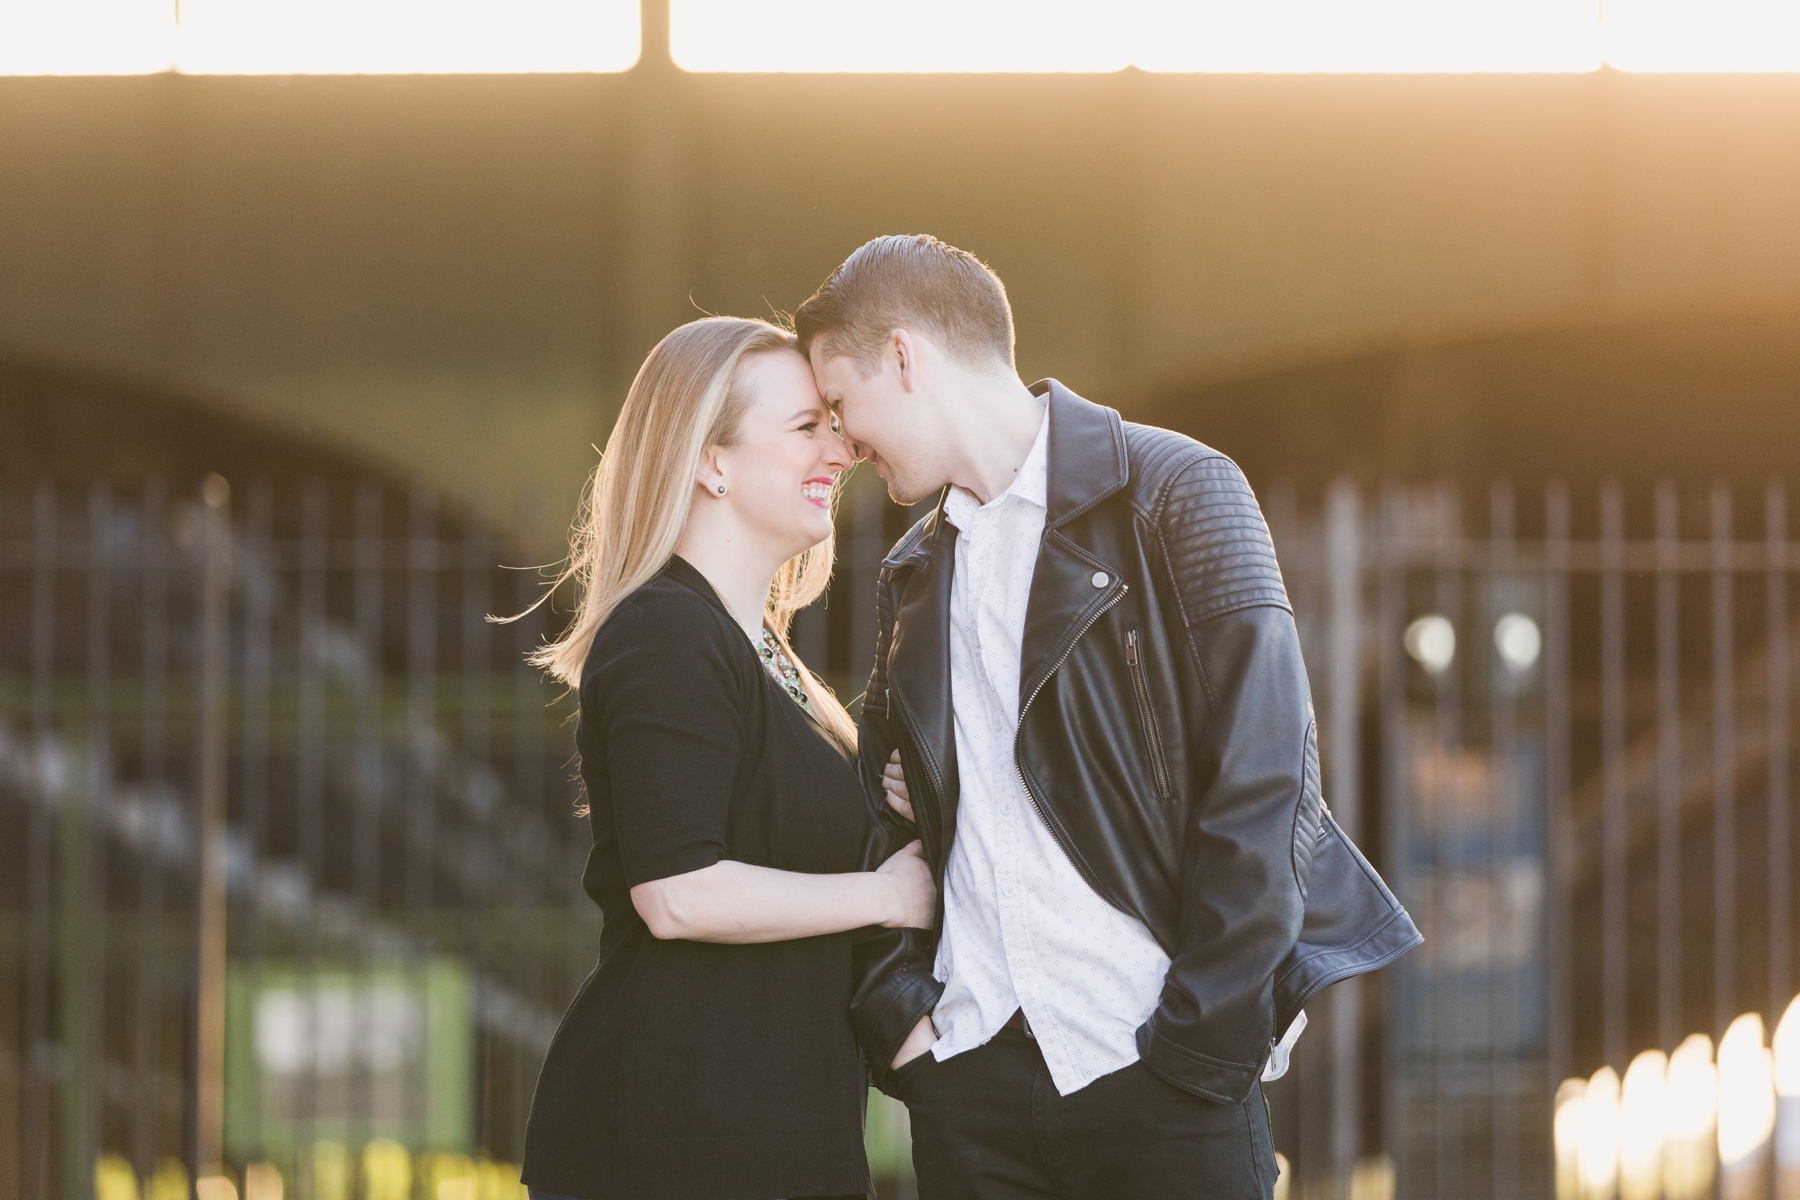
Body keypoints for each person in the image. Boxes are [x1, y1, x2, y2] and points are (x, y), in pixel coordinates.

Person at [796, 236, 1422, 1200]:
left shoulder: (1180, 489)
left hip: (1160, 1071)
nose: (841, 444)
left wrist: (1204, 1040)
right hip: (973, 1088)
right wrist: (907, 1030)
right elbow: (892, 819)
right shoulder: (911, 572)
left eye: (841, 405)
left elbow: (1268, 782)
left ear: (906, 357)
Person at [516, 316, 935, 1200]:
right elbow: (677, 892)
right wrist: (886, 893)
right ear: (711, 461)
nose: (842, 446)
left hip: (767, 1132)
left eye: (835, 421)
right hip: (674, 1138)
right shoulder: (666, 631)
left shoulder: (765, 654)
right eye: (806, 428)